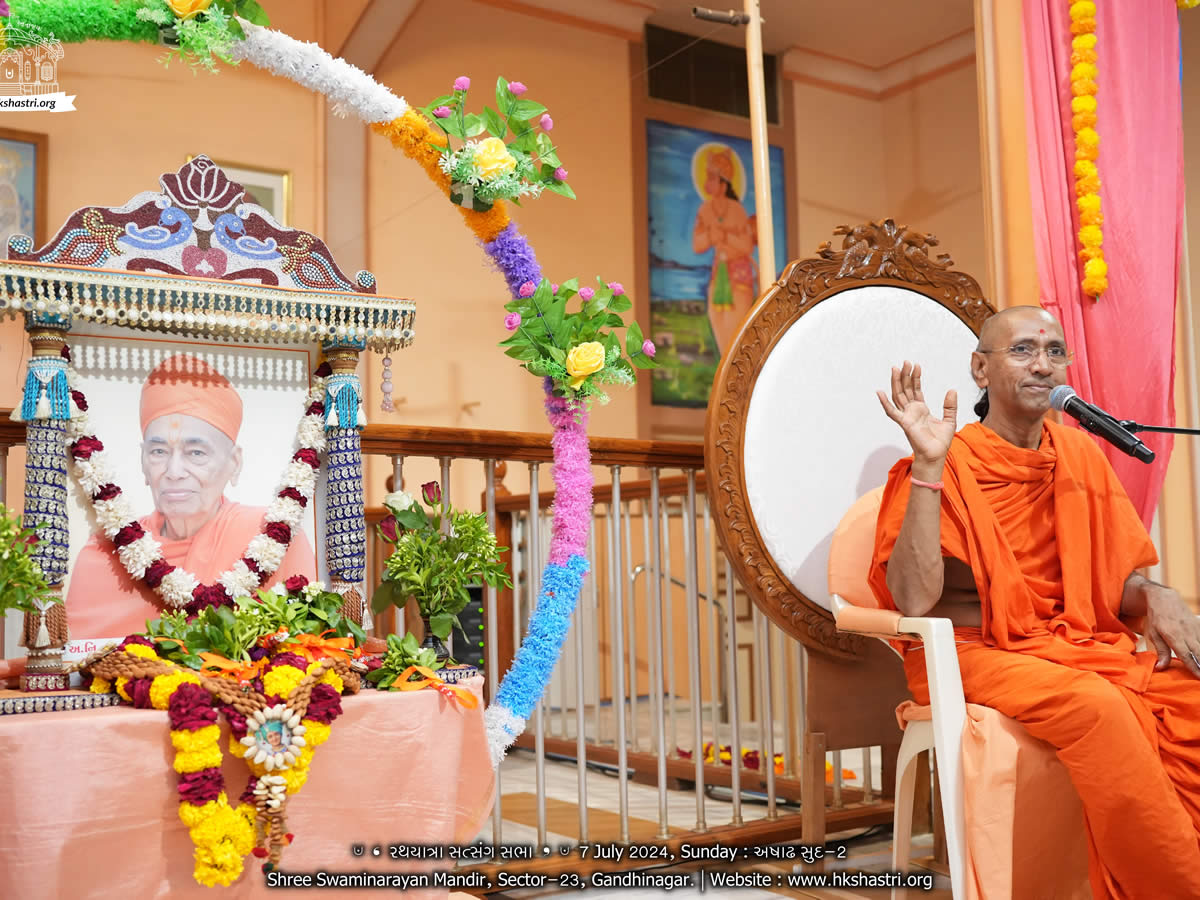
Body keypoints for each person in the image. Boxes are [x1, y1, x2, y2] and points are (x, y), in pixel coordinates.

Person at [870, 305, 1200, 899]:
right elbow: (915, 600)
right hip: (974, 652)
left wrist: (1157, 592)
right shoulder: (948, 462)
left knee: (1193, 695)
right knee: (1099, 707)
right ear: (980, 368)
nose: (1043, 365)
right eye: (1022, 350)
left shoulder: (1080, 458)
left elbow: (1104, 585)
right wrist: (927, 464)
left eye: (1055, 351)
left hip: (1075, 643)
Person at [65, 354, 316, 639]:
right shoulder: (103, 553)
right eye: (158, 452)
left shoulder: (275, 537)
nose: (174, 472)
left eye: (196, 453)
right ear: (143, 462)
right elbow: (73, 662)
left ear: (234, 464)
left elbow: (305, 647)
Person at [691, 147, 757, 355]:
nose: (707, 182)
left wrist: (726, 236)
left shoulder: (737, 210)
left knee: (736, 342)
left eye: (712, 177)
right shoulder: (705, 210)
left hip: (738, 279)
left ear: (723, 182)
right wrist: (711, 236)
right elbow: (697, 244)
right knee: (722, 343)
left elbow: (746, 245)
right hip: (717, 279)